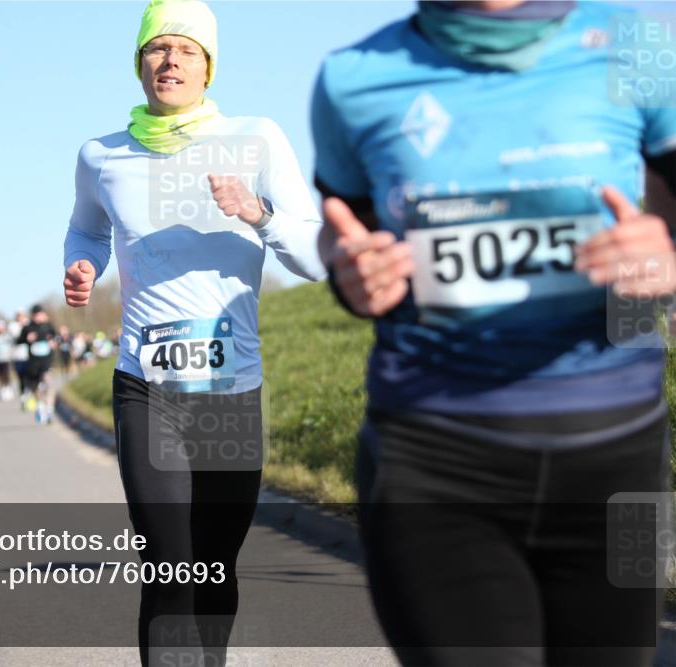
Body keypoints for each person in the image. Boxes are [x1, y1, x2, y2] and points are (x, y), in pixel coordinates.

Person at [312, 2, 676, 665]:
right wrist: (352, 277)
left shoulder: (639, 46)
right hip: (434, 458)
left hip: (616, 458)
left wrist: (666, 254)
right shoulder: (353, 79)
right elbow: (345, 230)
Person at [63, 1, 324, 663]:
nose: (170, 60)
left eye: (185, 49)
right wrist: (82, 263)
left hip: (231, 390)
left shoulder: (256, 139)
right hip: (146, 388)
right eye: (157, 49)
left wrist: (258, 212)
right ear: (139, 63)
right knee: (171, 569)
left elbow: (319, 257)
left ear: (208, 66)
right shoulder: (101, 157)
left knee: (213, 567)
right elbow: (86, 227)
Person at [18, 304, 57, 424]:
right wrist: (27, 339)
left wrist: (53, 342)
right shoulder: (28, 328)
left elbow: (58, 337)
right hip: (33, 364)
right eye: (36, 315)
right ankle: (41, 406)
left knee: (49, 385)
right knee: (35, 389)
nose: (39, 317)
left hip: (46, 362)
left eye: (40, 314)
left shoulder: (49, 326)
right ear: (33, 315)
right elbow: (18, 341)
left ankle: (50, 410)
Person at [10, 310, 30, 403]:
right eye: (19, 316)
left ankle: (29, 392)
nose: (20, 317)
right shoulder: (13, 326)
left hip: (28, 355)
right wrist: (22, 326)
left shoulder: (29, 324)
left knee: (29, 375)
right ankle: (22, 393)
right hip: (17, 356)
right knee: (20, 376)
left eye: (22, 316)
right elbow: (16, 337)